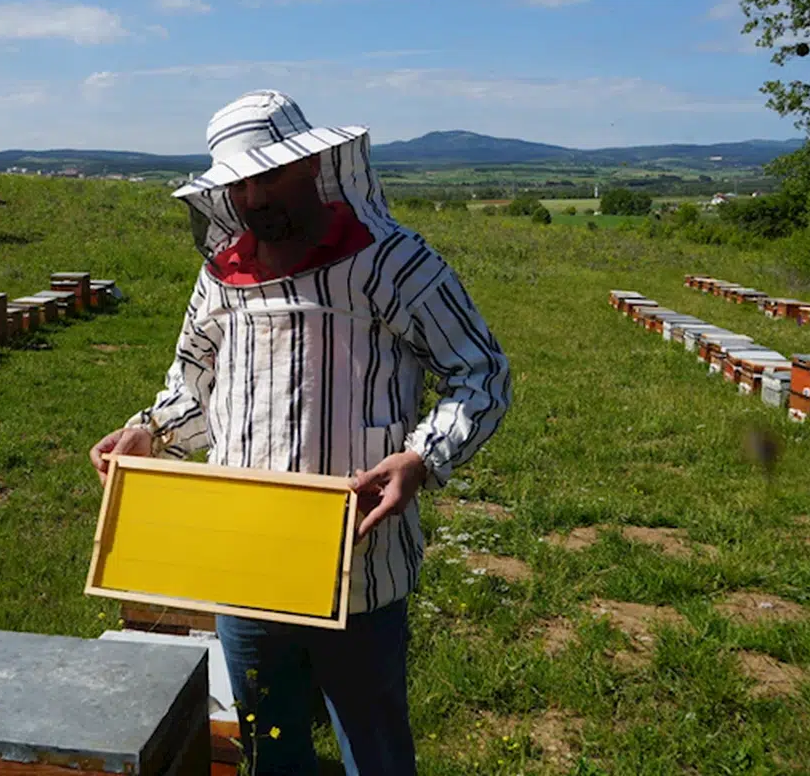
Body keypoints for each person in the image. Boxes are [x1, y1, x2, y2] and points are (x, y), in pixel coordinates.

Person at [90, 90, 511, 776]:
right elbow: (196, 388)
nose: (253, 198)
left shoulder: (392, 263)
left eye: (268, 176)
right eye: (239, 184)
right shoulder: (221, 279)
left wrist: (421, 459)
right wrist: (151, 432)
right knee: (271, 747)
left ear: (313, 166)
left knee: (372, 750)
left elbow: (482, 373)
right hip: (247, 564)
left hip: (360, 564)